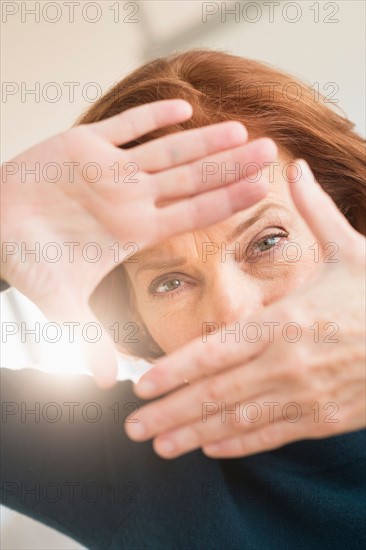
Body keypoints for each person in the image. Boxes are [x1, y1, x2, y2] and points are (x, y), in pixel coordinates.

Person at [1, 50, 365, 549]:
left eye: (267, 242)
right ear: (137, 320)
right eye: (169, 282)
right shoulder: (135, 461)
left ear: (348, 222)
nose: (233, 316)